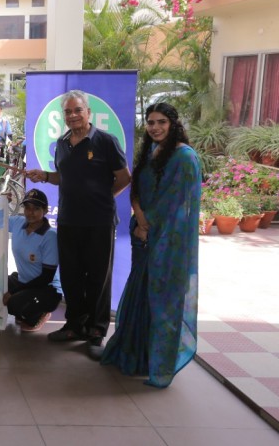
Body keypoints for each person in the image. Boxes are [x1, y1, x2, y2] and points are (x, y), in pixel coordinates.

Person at [25, 90, 131, 360]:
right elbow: (65, 177)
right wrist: (45, 176)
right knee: (71, 277)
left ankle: (95, 332)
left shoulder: (106, 141)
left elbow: (124, 177)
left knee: (98, 278)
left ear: (88, 112)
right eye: (68, 112)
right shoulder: (62, 143)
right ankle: (74, 326)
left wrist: (103, 198)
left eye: (77, 110)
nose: (72, 115)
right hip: (68, 220)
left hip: (99, 222)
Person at [101, 103, 201, 386]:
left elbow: (176, 204)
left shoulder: (185, 157)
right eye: (150, 122)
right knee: (139, 296)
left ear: (173, 124)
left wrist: (148, 226)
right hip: (142, 237)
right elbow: (136, 189)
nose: (155, 128)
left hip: (168, 243)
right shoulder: (150, 151)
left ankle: (159, 366)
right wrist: (140, 219)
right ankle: (135, 356)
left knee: (163, 302)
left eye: (161, 122)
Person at [3, 189, 62, 332]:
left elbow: (46, 277)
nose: (31, 213)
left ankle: (41, 313)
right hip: (24, 281)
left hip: (47, 288)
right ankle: (24, 307)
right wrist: (1, 203)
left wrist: (13, 292)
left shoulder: (50, 236)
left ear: (45, 210)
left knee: (13, 303)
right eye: (27, 208)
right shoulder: (18, 222)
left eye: (36, 209)